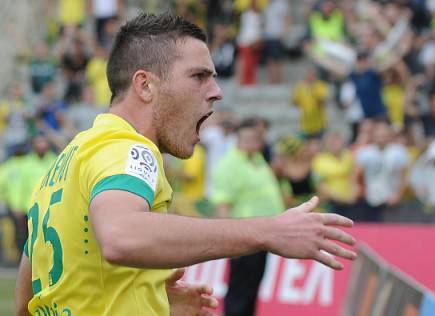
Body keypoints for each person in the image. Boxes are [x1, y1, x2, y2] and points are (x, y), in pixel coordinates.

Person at [15, 13, 357, 316]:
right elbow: (121, 235)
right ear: (146, 85)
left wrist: (149, 300)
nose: (216, 91)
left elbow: (26, 302)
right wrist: (269, 231)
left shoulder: (66, 162)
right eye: (199, 76)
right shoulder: (129, 149)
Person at [211, 119, 283, 316]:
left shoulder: (258, 161)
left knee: (251, 289)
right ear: (238, 139)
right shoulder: (229, 165)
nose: (251, 143)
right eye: (246, 138)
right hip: (243, 238)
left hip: (262, 237)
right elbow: (222, 205)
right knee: (240, 291)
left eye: (255, 139)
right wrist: (230, 241)